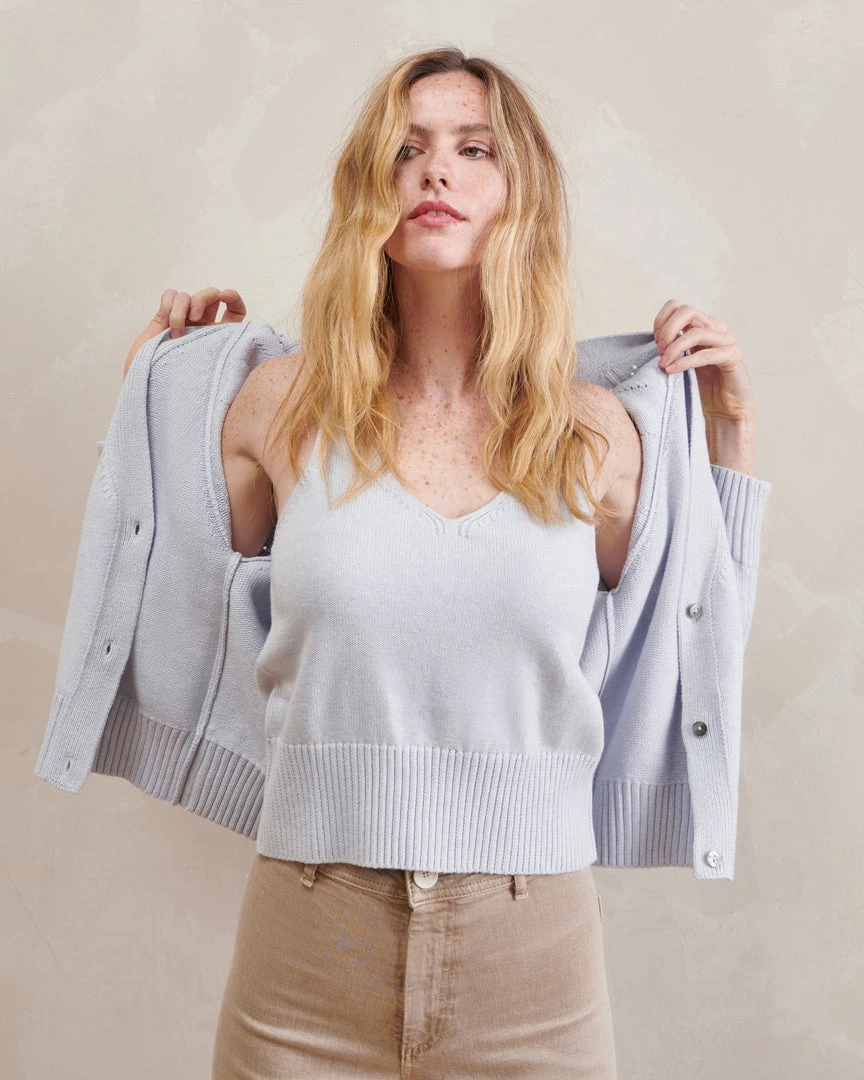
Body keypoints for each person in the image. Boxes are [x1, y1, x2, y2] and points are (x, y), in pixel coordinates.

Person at [121, 47, 762, 1080]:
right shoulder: (281, 406)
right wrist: (157, 388)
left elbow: (696, 632)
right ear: (368, 185)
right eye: (406, 148)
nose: (435, 171)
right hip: (306, 947)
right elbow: (167, 579)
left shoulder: (595, 435)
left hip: (532, 958)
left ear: (523, 193)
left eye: (475, 149)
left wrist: (725, 436)